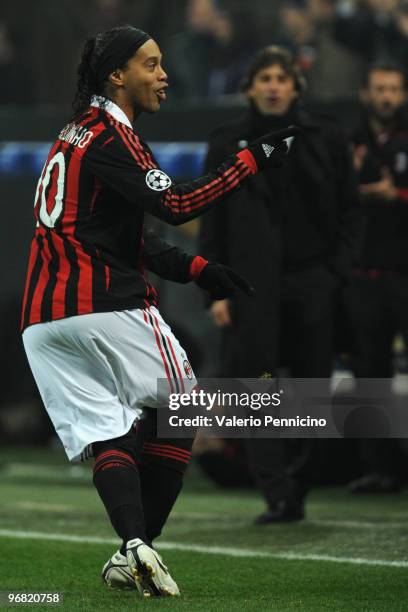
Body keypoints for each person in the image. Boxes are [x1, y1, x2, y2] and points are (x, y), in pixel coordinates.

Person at [20, 26, 297, 598]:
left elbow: (121, 234)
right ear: (117, 76)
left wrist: (198, 271)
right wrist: (253, 161)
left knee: (110, 431)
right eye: (151, 64)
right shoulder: (111, 137)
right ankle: (144, 541)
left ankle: (133, 549)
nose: (164, 75)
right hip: (102, 304)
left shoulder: (72, 134)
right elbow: (175, 204)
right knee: (185, 403)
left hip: (43, 322)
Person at [200, 45, 361, 524]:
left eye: (280, 77)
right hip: (252, 289)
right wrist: (216, 289)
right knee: (260, 390)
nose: (272, 85)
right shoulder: (226, 141)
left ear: (296, 87)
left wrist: (335, 276)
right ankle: (277, 492)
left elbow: (351, 212)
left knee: (312, 392)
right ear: (249, 87)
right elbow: (213, 219)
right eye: (263, 77)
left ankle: (300, 483)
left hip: (314, 284)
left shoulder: (327, 137)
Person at [345, 63, 408, 493]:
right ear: (366, 93)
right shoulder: (351, 141)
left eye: (393, 89)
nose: (386, 97)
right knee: (370, 373)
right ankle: (381, 468)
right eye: (379, 89)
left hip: (404, 272)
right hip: (363, 275)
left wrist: (397, 196)